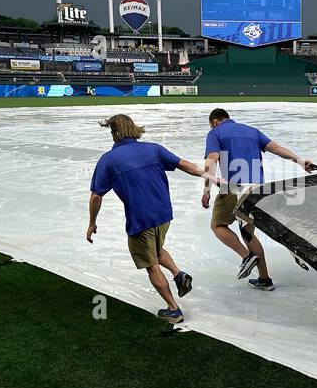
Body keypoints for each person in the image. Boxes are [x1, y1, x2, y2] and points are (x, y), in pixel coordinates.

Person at [87, 114, 219, 324]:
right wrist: (212, 178)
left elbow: (96, 196)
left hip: (141, 218)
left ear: (114, 133)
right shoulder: (153, 149)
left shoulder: (108, 160)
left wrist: (92, 223)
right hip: (163, 213)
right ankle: (178, 274)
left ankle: (173, 309)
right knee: (155, 250)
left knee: (150, 264)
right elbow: (184, 164)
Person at [203, 108, 317, 290]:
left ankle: (246, 256)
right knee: (248, 233)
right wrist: (299, 160)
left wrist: (207, 190)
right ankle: (265, 279)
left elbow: (212, 160)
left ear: (215, 121)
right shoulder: (251, 131)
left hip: (234, 188)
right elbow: (276, 148)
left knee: (217, 225)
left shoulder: (215, 132)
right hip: (257, 190)